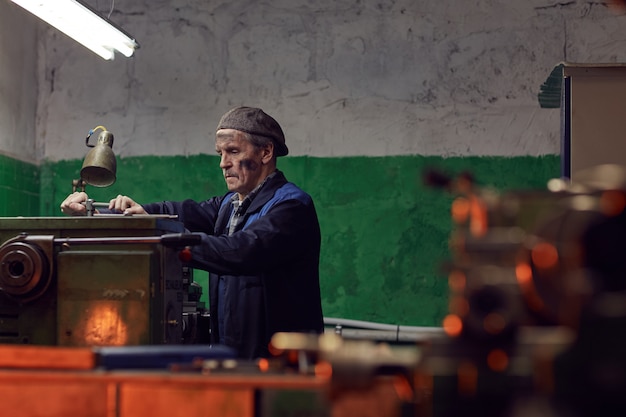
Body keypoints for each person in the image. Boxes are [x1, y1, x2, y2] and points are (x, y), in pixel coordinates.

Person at [61, 106, 324, 359]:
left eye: (232, 151)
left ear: (266, 152)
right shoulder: (230, 205)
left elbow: (242, 251)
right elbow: (174, 211)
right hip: (234, 360)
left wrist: (165, 238)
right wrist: (101, 214)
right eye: (220, 153)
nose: (223, 163)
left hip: (284, 366)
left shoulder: (291, 207)